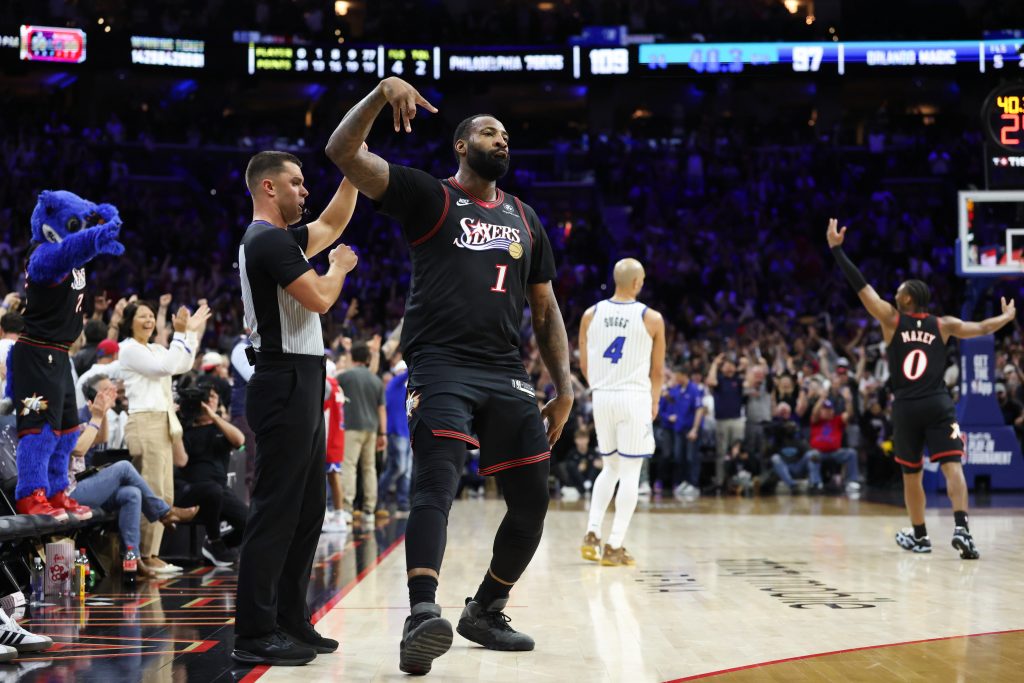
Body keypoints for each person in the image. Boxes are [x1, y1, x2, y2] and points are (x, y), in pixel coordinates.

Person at [326, 77, 572, 675]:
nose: (502, 140)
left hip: (505, 371)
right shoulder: (427, 196)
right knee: (437, 484)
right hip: (439, 364)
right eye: (489, 131)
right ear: (461, 146)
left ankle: (486, 608)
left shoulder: (524, 216)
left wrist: (564, 387)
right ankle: (420, 615)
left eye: (507, 135)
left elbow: (544, 308)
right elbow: (342, 152)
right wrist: (382, 96)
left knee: (533, 502)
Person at [232, 150, 359, 667]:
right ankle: (255, 631)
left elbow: (331, 221)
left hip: (304, 375)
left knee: (307, 511)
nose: (305, 191)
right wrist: (338, 267)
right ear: (268, 188)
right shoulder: (265, 240)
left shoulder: (280, 239)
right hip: (283, 374)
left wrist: (355, 169)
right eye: (297, 182)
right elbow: (321, 299)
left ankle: (289, 618)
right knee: (276, 510)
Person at [827, 217, 1016, 559]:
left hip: (907, 406)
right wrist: (1005, 318)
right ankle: (962, 529)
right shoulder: (943, 324)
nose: (893, 291)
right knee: (952, 466)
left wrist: (838, 251)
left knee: (911, 476)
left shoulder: (890, 319)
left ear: (908, 298)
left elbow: (862, 288)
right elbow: (982, 327)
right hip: (938, 403)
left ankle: (920, 536)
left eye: (899, 289)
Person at [578, 258, 665, 567]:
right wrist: (654, 402)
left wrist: (600, 387)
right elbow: (657, 371)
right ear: (638, 283)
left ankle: (591, 534)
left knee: (610, 467)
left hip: (602, 396)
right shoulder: (652, 318)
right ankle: (614, 544)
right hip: (634, 398)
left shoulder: (590, 314)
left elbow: (584, 364)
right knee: (630, 472)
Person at [70, 375, 198, 579]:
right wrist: (96, 416)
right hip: (67, 492)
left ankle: (132, 560)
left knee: (131, 493)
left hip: (82, 484)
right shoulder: (74, 418)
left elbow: (100, 439)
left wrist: (100, 413)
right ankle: (164, 512)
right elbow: (78, 449)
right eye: (106, 390)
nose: (112, 392)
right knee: (123, 468)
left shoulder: (92, 415)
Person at [119, 300, 208, 575]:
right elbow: (164, 368)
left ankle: (153, 553)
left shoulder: (154, 348)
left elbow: (181, 364)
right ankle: (143, 556)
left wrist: (190, 332)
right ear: (129, 321)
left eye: (150, 316)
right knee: (152, 489)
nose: (148, 320)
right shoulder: (129, 349)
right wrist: (181, 334)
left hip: (162, 421)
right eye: (142, 316)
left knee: (164, 491)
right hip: (145, 421)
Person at [175, 376, 248, 567]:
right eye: (205, 397)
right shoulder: (183, 428)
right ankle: (216, 543)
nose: (209, 401)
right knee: (212, 490)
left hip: (219, 491)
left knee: (251, 523)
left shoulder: (220, 428)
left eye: (213, 397)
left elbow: (240, 441)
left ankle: (216, 546)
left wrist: (214, 415)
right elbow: (179, 461)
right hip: (191, 490)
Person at [336, 341, 385, 524]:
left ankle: (347, 508)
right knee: (369, 468)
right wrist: (383, 434)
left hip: (351, 428)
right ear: (367, 358)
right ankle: (369, 510)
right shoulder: (376, 380)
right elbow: (382, 409)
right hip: (372, 429)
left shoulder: (344, 377)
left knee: (348, 466)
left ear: (352, 357)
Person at [377, 359, 412, 515]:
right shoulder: (393, 385)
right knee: (398, 468)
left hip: (407, 434)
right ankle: (379, 497)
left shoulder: (406, 390)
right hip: (396, 433)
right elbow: (409, 371)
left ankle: (402, 503)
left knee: (406, 471)